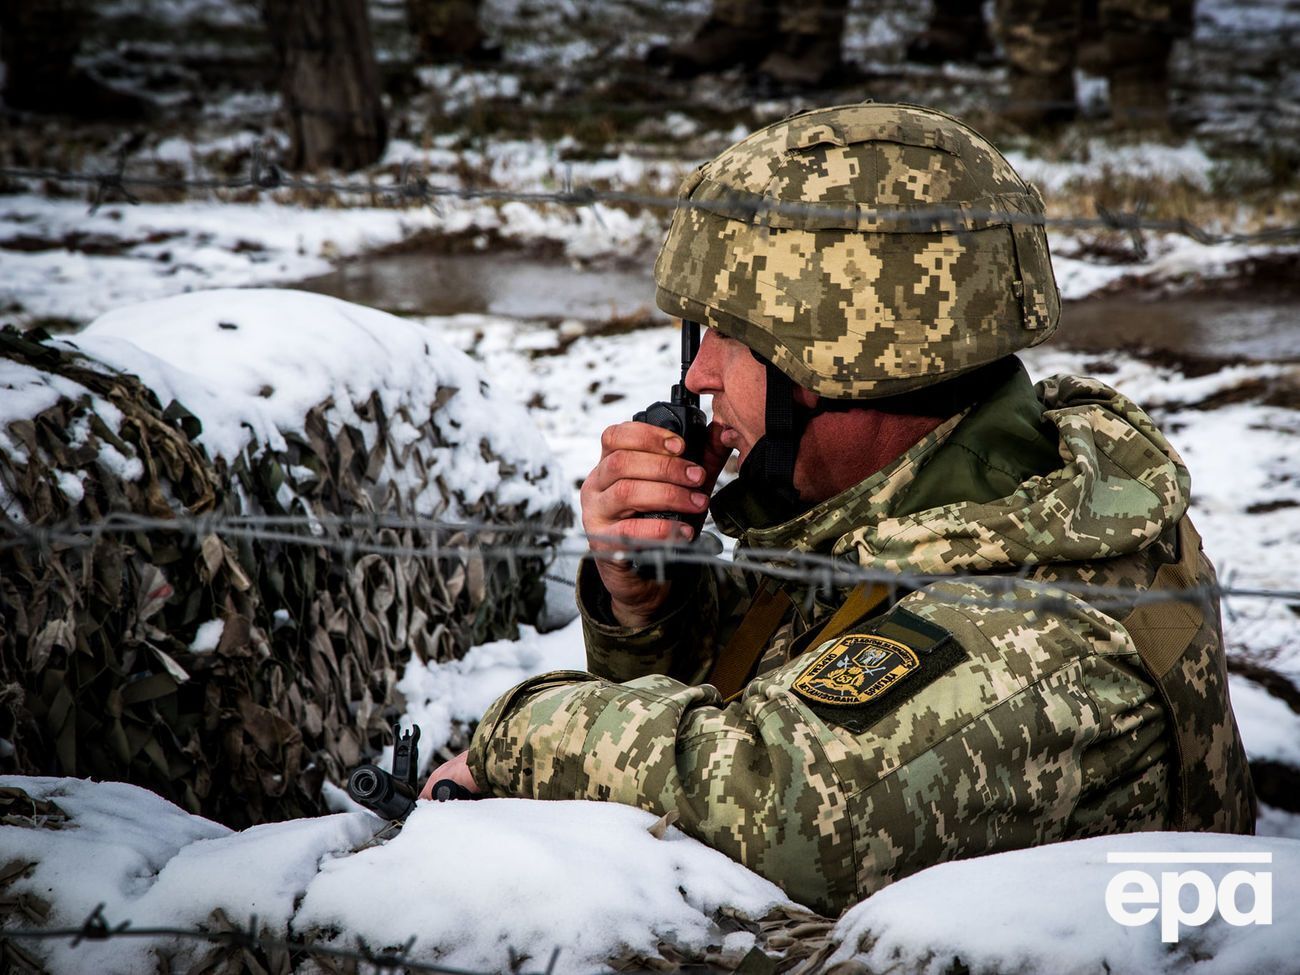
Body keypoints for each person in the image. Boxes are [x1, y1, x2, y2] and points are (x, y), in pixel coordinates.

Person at [423, 103, 1254, 915]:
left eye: (726, 336)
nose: (699, 376)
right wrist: (649, 602)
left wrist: (514, 736)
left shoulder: (1039, 628)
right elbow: (761, 693)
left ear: (836, 367)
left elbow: (775, 806)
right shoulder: (909, 506)